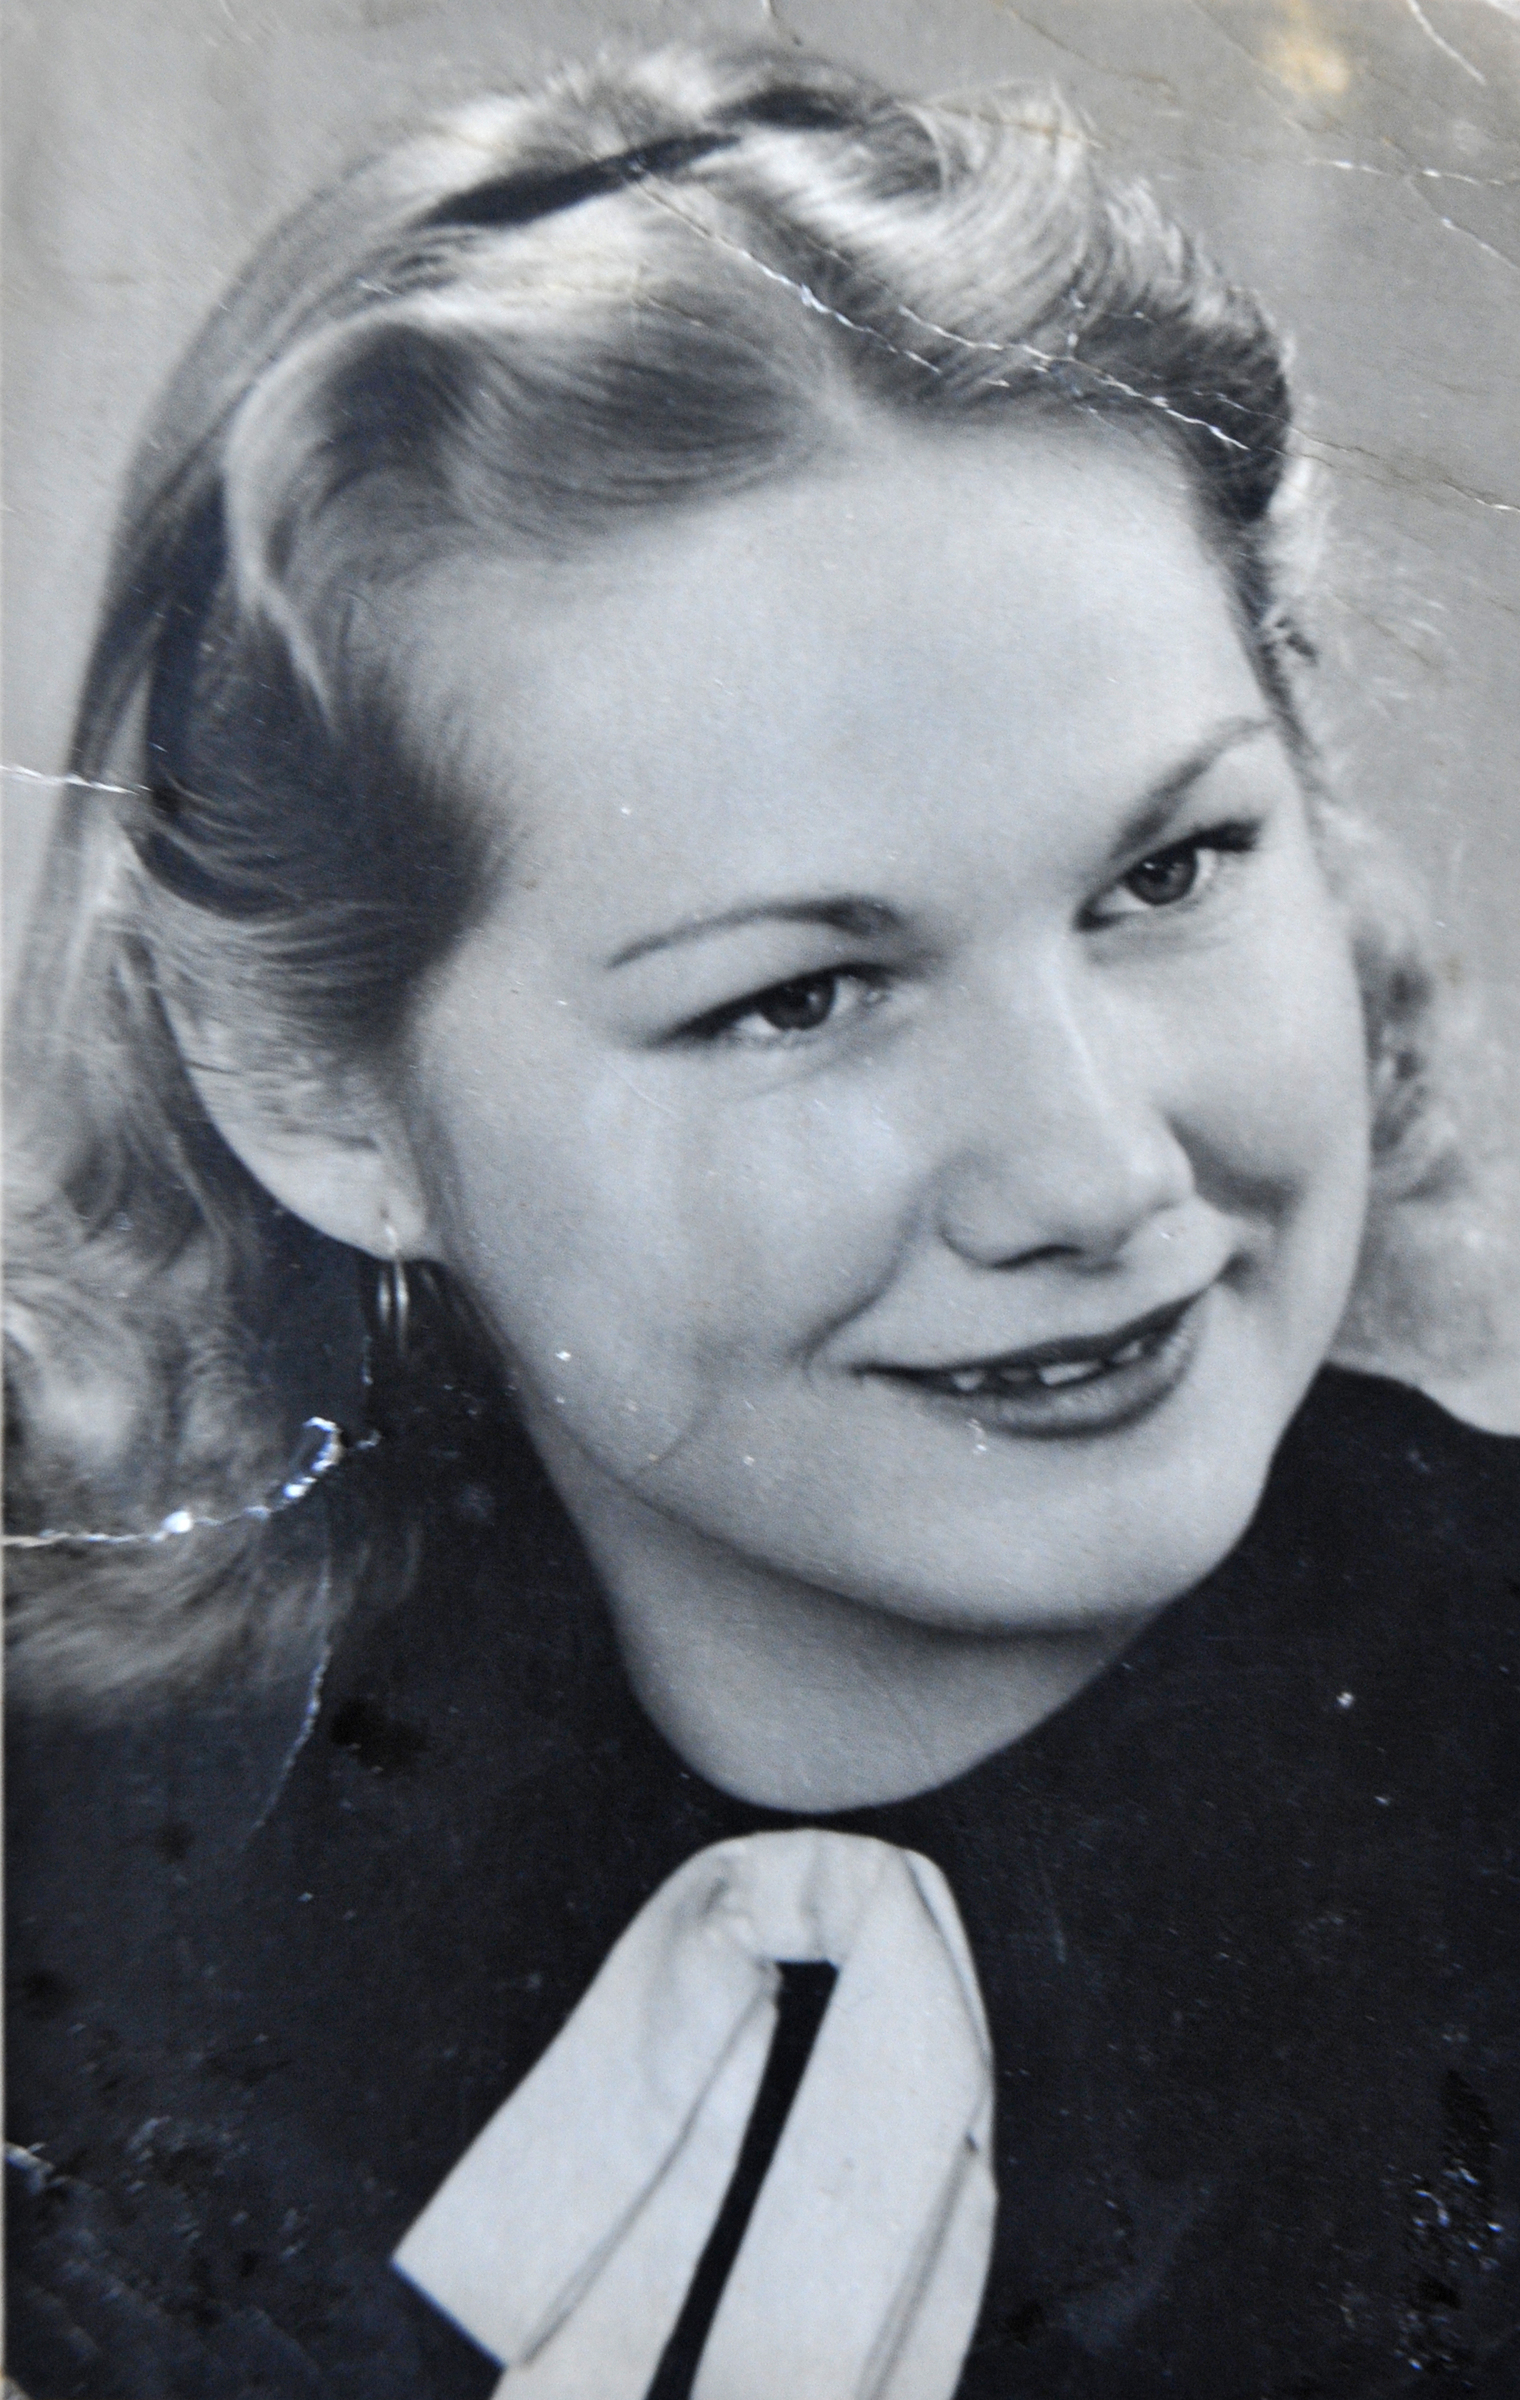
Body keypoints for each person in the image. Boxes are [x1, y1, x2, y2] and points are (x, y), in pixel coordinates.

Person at [5, 40, 1516, 2400]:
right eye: (800, 995)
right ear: (313, 1093)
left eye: (1168, 869)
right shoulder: (86, 1880)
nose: (1095, 1172)